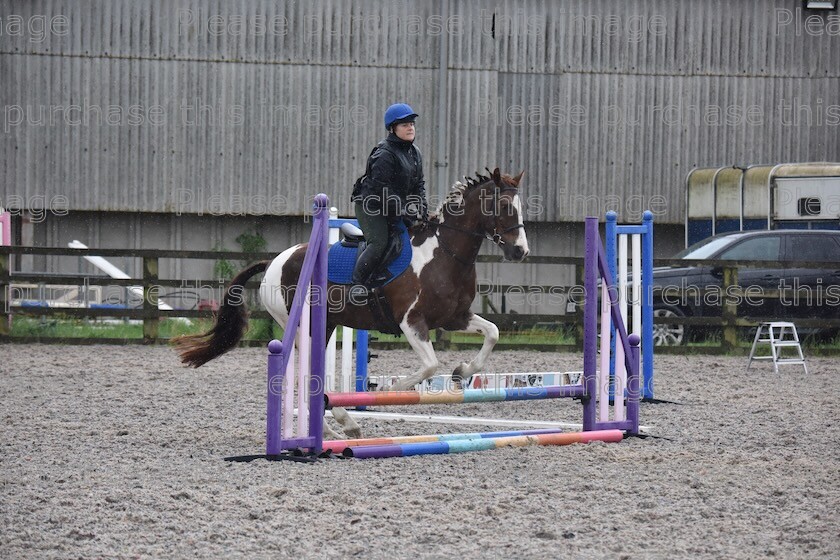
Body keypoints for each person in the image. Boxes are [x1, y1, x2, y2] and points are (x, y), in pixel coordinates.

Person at [348, 103, 428, 301]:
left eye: (412, 123)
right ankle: (357, 284)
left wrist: (422, 206)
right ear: (393, 128)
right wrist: (403, 209)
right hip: (372, 206)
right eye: (404, 125)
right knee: (379, 242)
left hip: (394, 207)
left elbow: (419, 185)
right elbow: (381, 190)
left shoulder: (415, 152)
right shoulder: (384, 154)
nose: (410, 127)